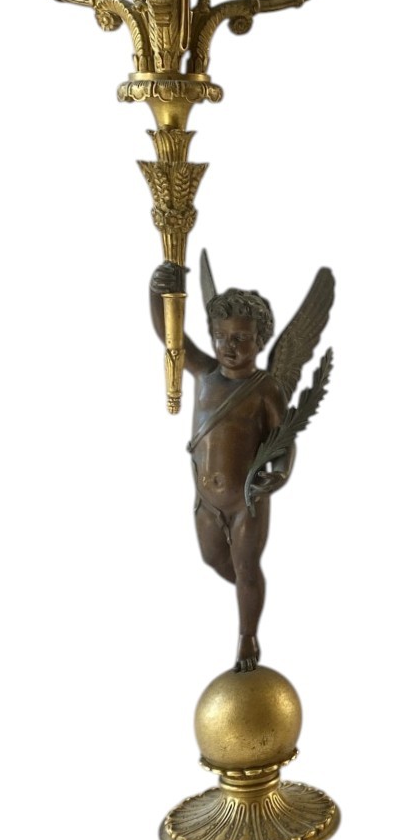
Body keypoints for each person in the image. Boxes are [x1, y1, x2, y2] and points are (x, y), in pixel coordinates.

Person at [150, 254, 333, 670]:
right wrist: (157, 289)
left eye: (241, 339)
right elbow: (169, 335)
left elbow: (283, 440)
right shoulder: (203, 373)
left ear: (260, 341)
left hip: (247, 500)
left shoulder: (265, 389)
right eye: (221, 337)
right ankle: (250, 592)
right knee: (215, 559)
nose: (229, 347)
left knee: (247, 567)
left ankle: (248, 635)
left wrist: (279, 474)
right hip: (206, 502)